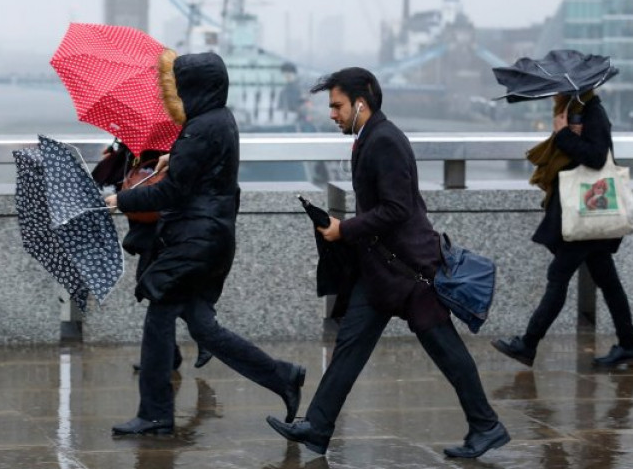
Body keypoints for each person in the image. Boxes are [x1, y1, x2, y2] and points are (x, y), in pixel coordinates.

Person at [266, 67, 508, 458]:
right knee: (349, 345)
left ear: (360, 103)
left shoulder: (385, 140)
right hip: (380, 271)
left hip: (411, 272)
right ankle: (317, 427)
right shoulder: (370, 137)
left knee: (448, 351)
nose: (332, 114)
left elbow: (397, 208)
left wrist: (344, 230)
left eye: (337, 105)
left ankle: (486, 425)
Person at [106, 50, 306, 436]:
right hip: (210, 237)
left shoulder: (200, 128)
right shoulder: (218, 120)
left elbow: (174, 193)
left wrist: (121, 200)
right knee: (201, 324)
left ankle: (155, 414)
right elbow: (199, 171)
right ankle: (282, 376)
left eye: (180, 87)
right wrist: (171, 156)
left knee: (160, 317)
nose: (175, 94)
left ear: (195, 87)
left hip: (193, 240)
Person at [492, 90, 633, 367]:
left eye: (558, 89)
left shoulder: (592, 111)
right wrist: (569, 131)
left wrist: (564, 134)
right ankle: (628, 344)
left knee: (558, 276)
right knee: (608, 281)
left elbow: (595, 157)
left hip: (585, 212)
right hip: (586, 214)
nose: (554, 94)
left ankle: (528, 344)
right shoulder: (577, 109)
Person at [92, 142, 212, 372]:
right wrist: (115, 152)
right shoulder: (136, 141)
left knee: (158, 290)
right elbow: (126, 172)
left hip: (161, 228)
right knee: (160, 292)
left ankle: (202, 337)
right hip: (147, 226)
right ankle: (183, 348)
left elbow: (163, 185)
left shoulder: (161, 142)